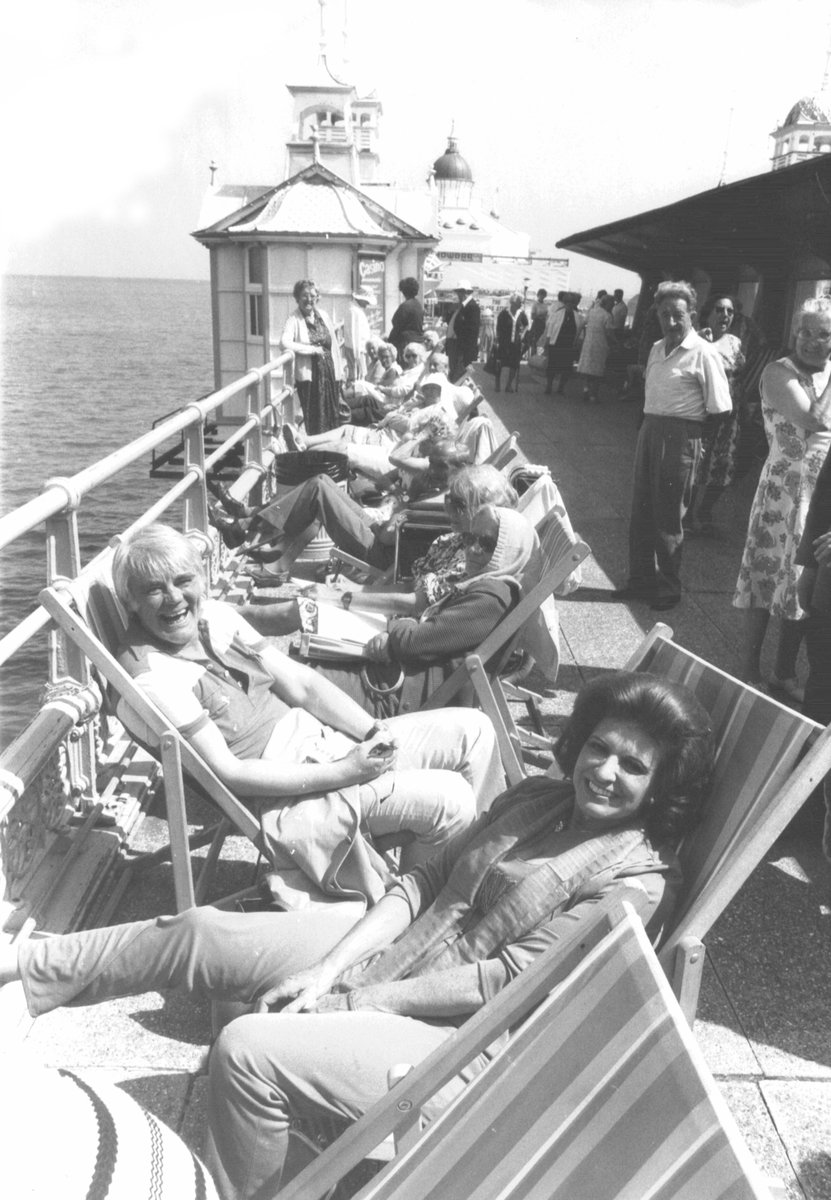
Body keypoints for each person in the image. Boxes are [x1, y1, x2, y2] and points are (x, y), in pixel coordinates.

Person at [0, 672, 714, 1200]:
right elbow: (423, 882)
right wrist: (334, 967)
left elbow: (500, 985)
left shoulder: (635, 883)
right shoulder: (537, 799)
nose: (604, 770)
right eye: (598, 748)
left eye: (632, 765)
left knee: (247, 1049)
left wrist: (351, 1002)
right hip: (402, 956)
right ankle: (31, 969)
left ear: (662, 785)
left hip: (467, 1042)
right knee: (205, 930)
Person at [105, 525, 505, 905]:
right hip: (293, 796)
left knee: (475, 730)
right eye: (154, 590)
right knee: (449, 799)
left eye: (182, 580)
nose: (174, 597)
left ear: (199, 580)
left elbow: (302, 684)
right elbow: (229, 773)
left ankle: (479, 871)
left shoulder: (214, 620)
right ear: (132, 604)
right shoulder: (154, 677)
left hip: (329, 748)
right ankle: (418, 908)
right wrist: (346, 771)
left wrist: (371, 729)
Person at [312, 505, 537, 717]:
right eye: (469, 539)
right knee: (304, 657)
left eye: (487, 543)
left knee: (300, 676)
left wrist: (402, 625)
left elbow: (412, 643)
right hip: (400, 680)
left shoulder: (491, 599)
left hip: (399, 696)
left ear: (510, 550)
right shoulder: (483, 586)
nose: (472, 550)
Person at [613, 281, 731, 611]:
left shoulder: (704, 353)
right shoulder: (655, 348)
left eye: (678, 315)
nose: (671, 321)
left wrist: (699, 446)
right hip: (650, 431)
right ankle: (639, 581)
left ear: (691, 315)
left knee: (668, 514)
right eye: (665, 315)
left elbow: (720, 409)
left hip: (681, 436)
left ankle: (667, 588)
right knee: (641, 511)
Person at [733, 297, 831, 697]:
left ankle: (783, 671)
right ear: (794, 333)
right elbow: (815, 418)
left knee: (804, 582)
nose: (811, 341)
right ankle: (747, 668)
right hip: (783, 491)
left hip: (820, 493)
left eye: (822, 334)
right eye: (805, 331)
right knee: (765, 574)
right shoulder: (779, 372)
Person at [685, 294, 746, 535]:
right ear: (708, 312)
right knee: (697, 465)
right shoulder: (695, 339)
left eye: (730, 312)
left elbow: (740, 375)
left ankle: (705, 512)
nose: (725, 316)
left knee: (723, 465)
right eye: (720, 310)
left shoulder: (735, 342)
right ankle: (687, 515)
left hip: (729, 418)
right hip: (704, 415)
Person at [280, 280, 345, 435]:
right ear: (297, 298)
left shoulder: (323, 315)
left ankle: (329, 446)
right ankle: (314, 448)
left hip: (329, 375)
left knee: (331, 414)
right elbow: (284, 343)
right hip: (311, 377)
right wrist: (311, 350)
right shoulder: (293, 319)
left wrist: (340, 371)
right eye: (304, 296)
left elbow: (334, 345)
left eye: (312, 296)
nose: (309, 299)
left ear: (317, 298)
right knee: (314, 418)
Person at [543, 291, 583, 396]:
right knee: (552, 366)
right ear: (565, 302)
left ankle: (561, 388)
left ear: (575, 304)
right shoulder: (557, 314)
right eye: (568, 302)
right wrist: (547, 341)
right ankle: (549, 386)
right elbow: (549, 328)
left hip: (569, 346)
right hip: (556, 344)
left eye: (572, 303)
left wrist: (577, 343)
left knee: (566, 368)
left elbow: (580, 331)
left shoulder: (578, 316)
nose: (570, 305)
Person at [577, 293, 615, 403]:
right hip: (601, 345)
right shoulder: (607, 316)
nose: (612, 305)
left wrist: (577, 338)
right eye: (612, 304)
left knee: (587, 367)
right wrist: (615, 343)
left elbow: (581, 325)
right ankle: (593, 395)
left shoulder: (592, 312)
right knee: (597, 370)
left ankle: (585, 389)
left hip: (588, 343)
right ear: (607, 304)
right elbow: (609, 333)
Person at [445, 281, 481, 382]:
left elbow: (472, 332)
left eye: (459, 292)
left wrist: (467, 354)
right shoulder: (462, 306)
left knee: (458, 374)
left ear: (465, 292)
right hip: (455, 345)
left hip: (461, 347)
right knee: (454, 372)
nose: (458, 295)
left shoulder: (472, 307)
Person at [495, 295, 529, 393]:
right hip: (504, 343)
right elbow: (498, 328)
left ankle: (508, 385)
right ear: (513, 303)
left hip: (516, 344)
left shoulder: (521, 313)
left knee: (514, 365)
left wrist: (523, 333)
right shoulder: (504, 313)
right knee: (500, 364)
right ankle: (497, 384)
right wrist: (497, 340)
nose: (521, 304)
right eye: (520, 303)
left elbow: (526, 324)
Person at [388, 278, 424, 364]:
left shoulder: (405, 306)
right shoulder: (418, 305)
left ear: (404, 291)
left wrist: (390, 340)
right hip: (418, 341)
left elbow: (396, 323)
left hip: (405, 342)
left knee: (404, 366)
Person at [343, 291, 374, 382]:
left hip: (360, 349)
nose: (367, 304)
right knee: (356, 374)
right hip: (356, 350)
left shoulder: (357, 310)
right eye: (366, 301)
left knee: (361, 374)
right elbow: (354, 334)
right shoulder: (354, 311)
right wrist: (357, 355)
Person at [526, 288, 550, 355]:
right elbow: (532, 317)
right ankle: (533, 358)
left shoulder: (546, 305)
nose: (542, 296)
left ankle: (539, 359)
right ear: (538, 295)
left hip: (543, 325)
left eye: (543, 295)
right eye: (541, 295)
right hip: (536, 325)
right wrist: (540, 316)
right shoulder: (535, 304)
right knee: (534, 343)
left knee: (542, 343)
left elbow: (547, 316)